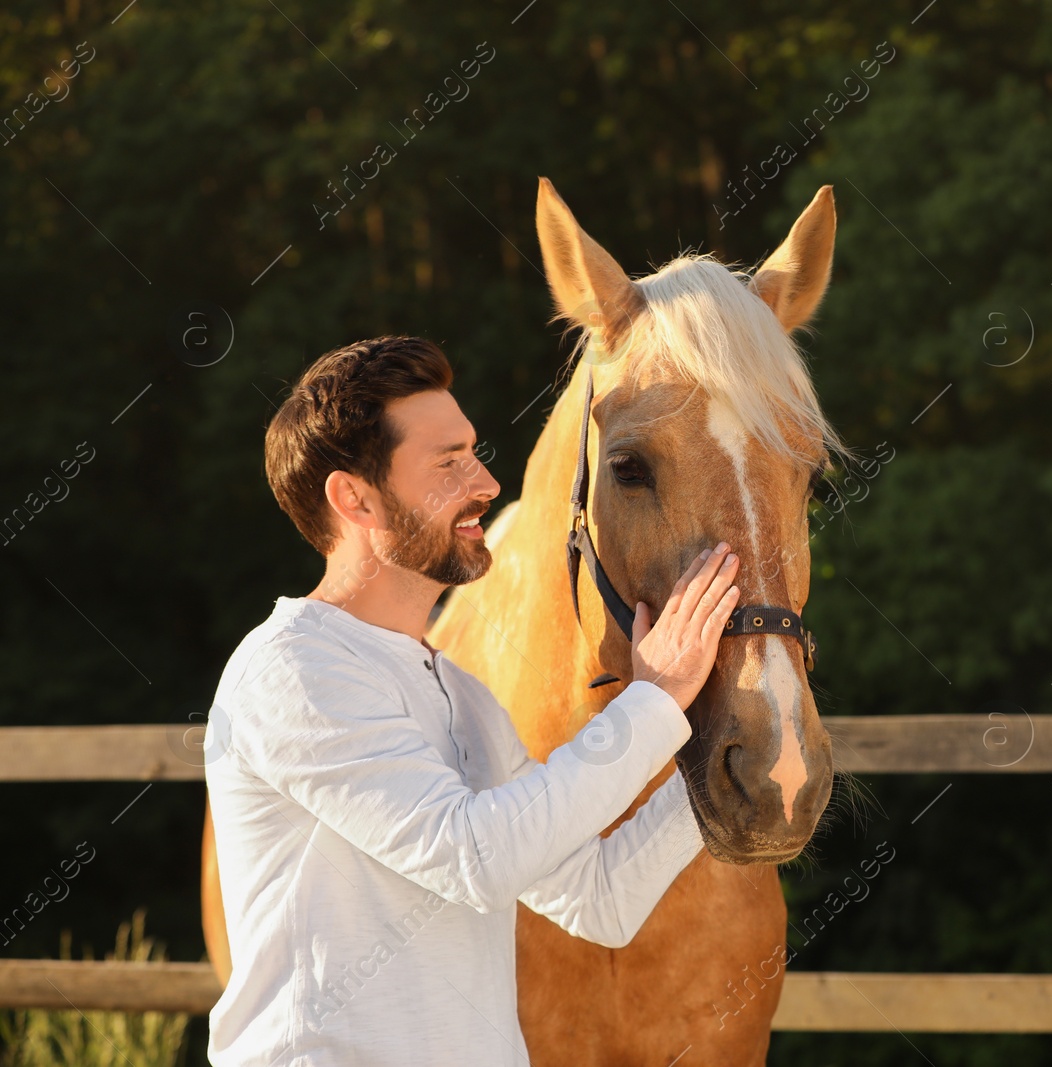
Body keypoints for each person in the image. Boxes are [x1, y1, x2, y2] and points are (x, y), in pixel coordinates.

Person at [204, 335, 740, 1066]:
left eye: (474, 453)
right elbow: (475, 857)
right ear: (354, 496)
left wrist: (716, 738)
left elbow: (598, 899)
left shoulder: (459, 693)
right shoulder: (292, 670)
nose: (486, 483)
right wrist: (652, 699)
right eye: (449, 462)